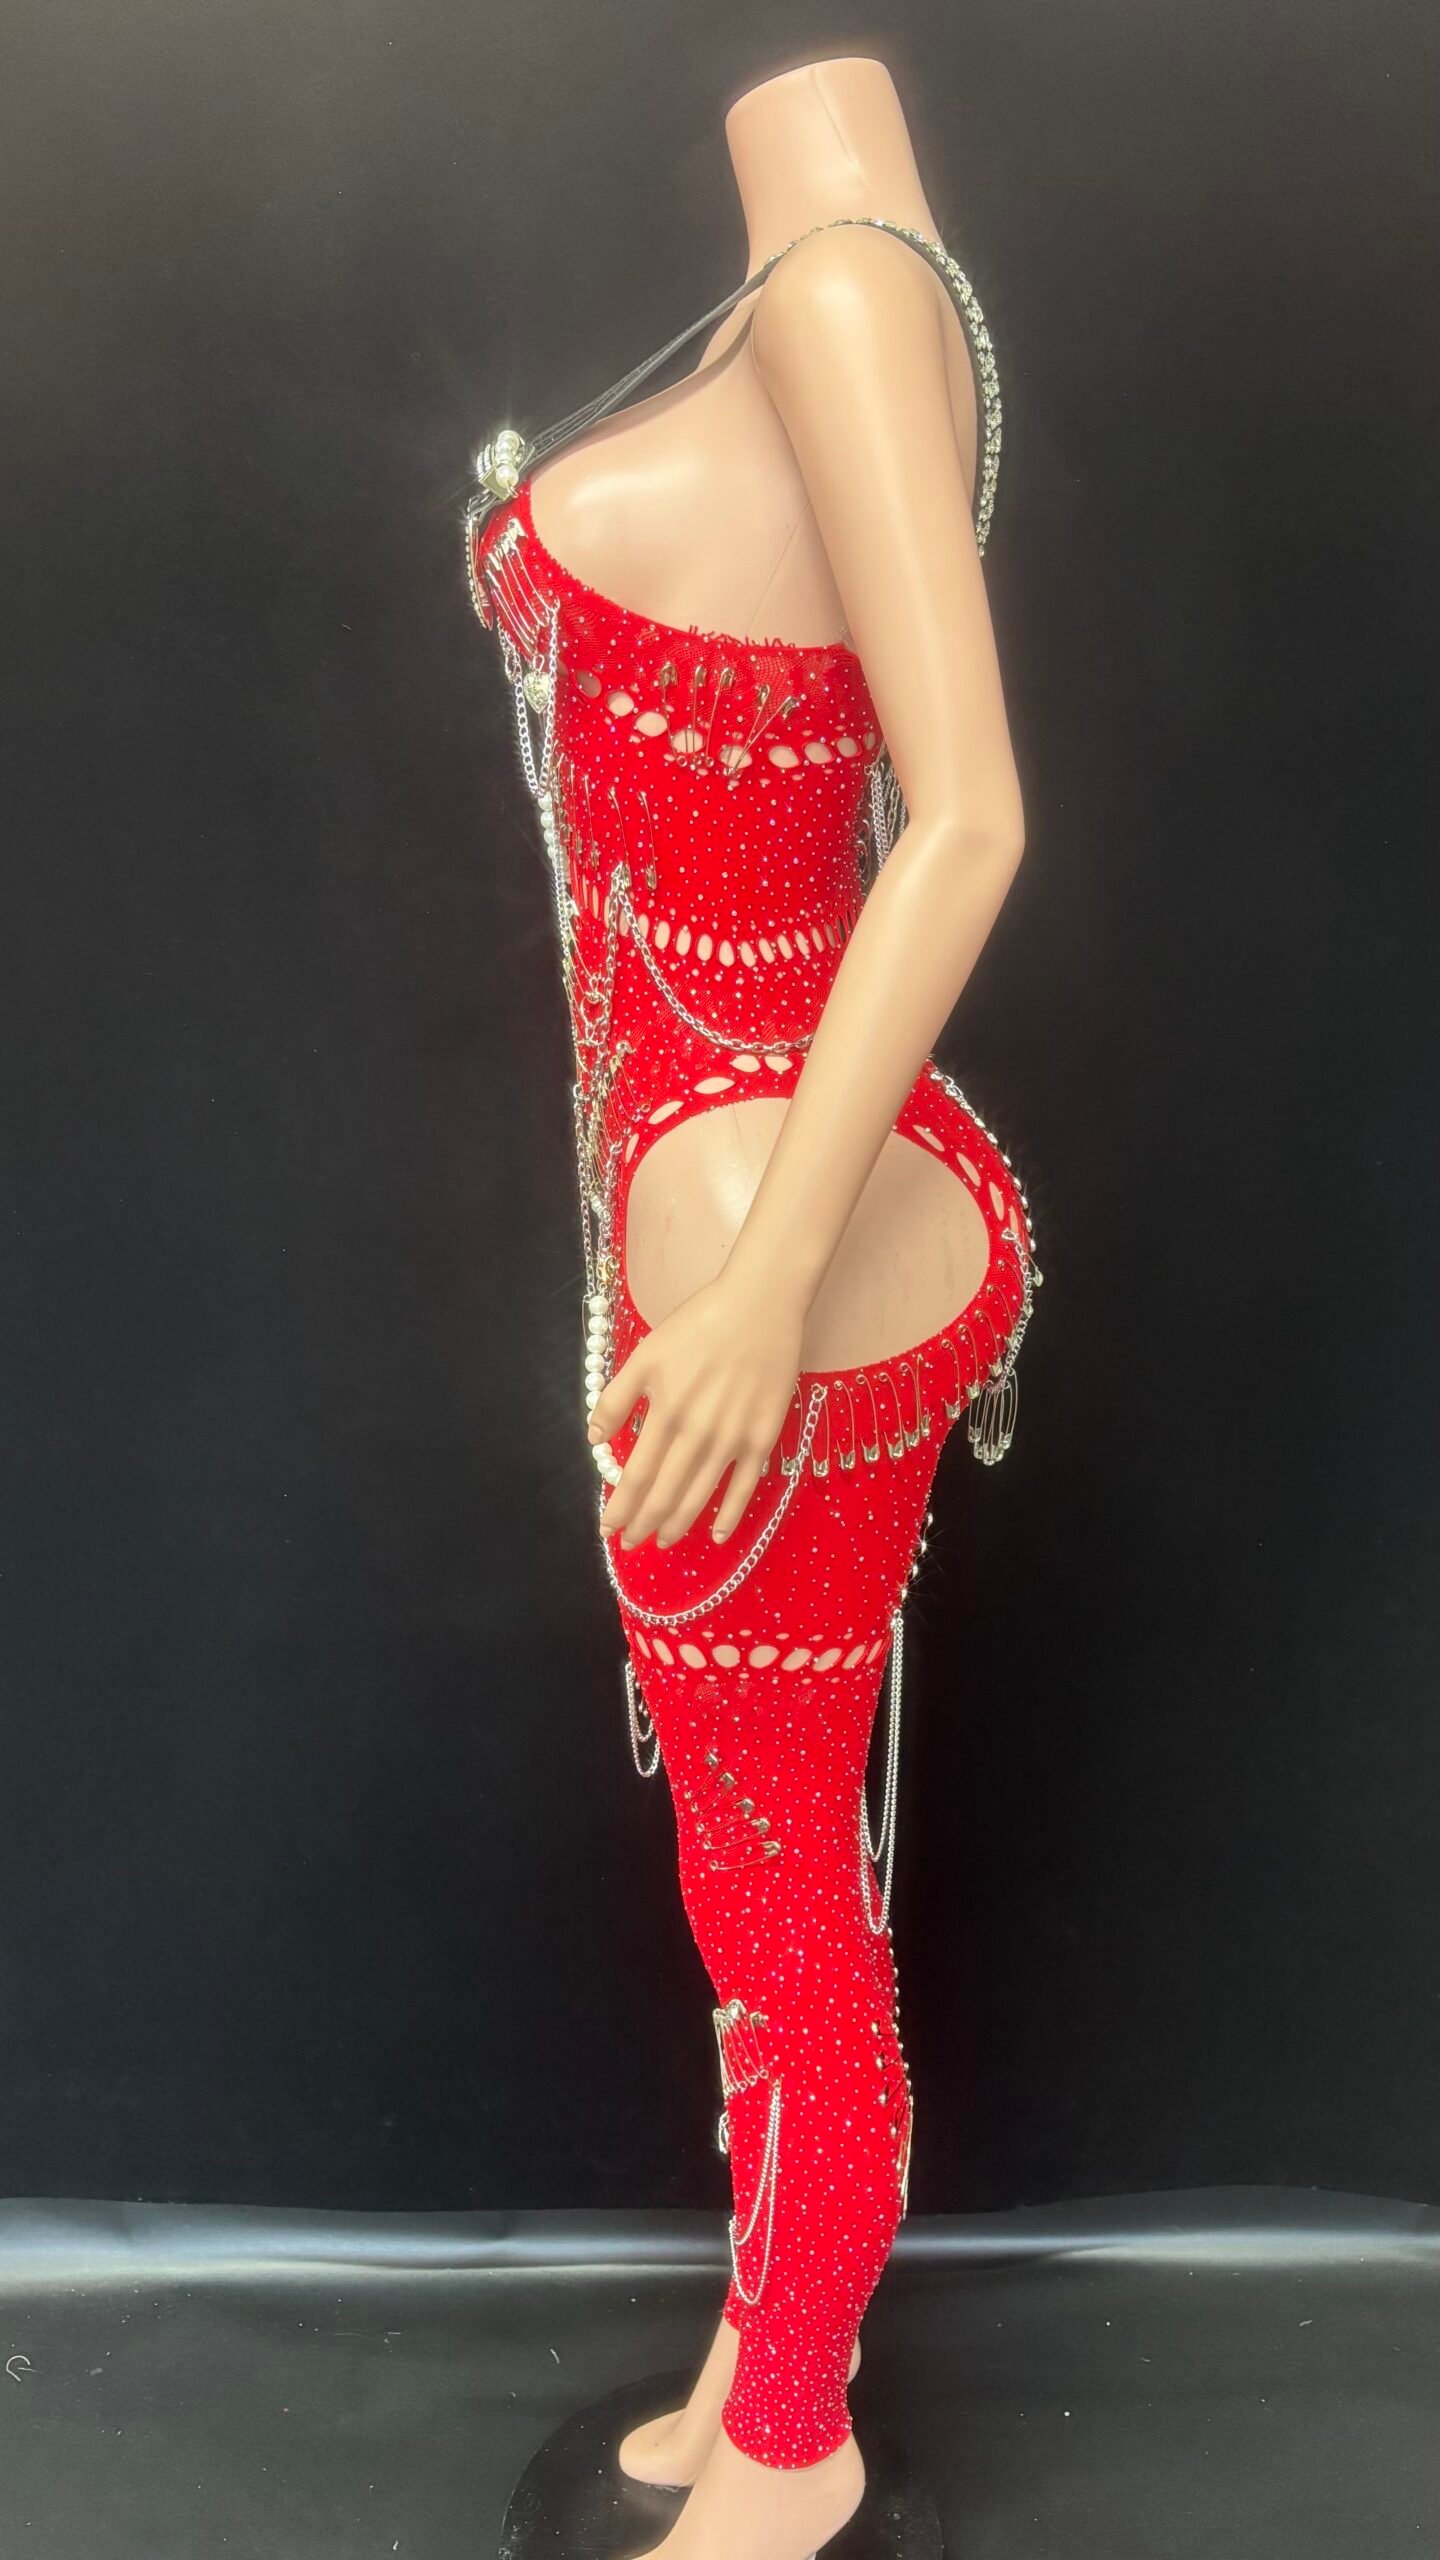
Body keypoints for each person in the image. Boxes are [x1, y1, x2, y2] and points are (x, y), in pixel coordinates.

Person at [465, 55, 1039, 2560]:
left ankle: (798, 2434)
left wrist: (762, 1284)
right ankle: (756, 2348)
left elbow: (972, 814)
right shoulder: (810, 286)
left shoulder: (843, 295)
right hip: (718, 1198)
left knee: (783, 1879)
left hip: (769, 1223)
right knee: (753, 1870)